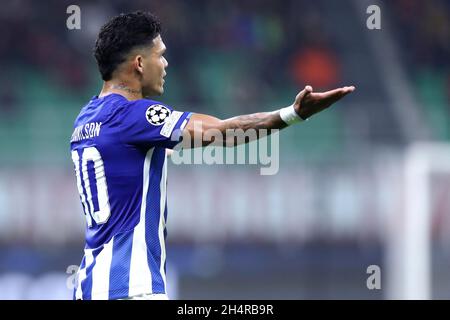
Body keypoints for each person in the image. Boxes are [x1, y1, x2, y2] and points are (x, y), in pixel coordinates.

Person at [70, 11, 355, 300]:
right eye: (160, 55)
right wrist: (292, 115)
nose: (166, 63)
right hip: (131, 286)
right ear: (140, 63)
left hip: (88, 287)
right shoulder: (134, 116)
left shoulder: (85, 119)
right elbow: (222, 131)